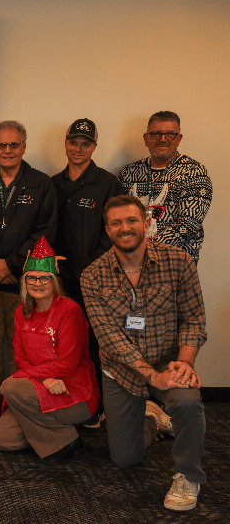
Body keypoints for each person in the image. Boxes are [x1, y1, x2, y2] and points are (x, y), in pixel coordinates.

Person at [81, 195, 207, 511]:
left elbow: (194, 318)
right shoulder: (92, 276)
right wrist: (152, 376)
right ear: (107, 230)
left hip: (169, 358)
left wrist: (184, 363)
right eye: (117, 223)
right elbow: (108, 337)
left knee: (188, 400)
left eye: (132, 220)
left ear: (146, 223)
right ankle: (152, 417)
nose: (125, 228)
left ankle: (188, 475)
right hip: (121, 370)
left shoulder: (180, 262)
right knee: (124, 459)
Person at [0, 120, 57, 420]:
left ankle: (15, 400)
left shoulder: (41, 183)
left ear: (24, 147)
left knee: (21, 342)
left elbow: (45, 232)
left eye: (14, 144)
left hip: (24, 279)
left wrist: (10, 264)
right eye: (2, 145)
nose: (8, 150)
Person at [0, 237, 99, 463]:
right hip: (38, 388)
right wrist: (44, 381)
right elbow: (20, 358)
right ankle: (65, 437)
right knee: (3, 440)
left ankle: (55, 436)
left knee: (11, 386)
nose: (37, 283)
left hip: (72, 389)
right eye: (31, 278)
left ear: (54, 281)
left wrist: (27, 379)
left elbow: (68, 364)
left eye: (44, 278)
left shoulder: (70, 310)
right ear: (24, 281)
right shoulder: (21, 311)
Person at [51, 118, 125, 425]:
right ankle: (72, 403)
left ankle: (97, 406)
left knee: (96, 345)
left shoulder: (108, 183)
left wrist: (91, 270)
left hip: (97, 283)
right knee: (65, 345)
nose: (78, 149)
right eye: (73, 142)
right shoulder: (53, 184)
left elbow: (115, 232)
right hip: (59, 283)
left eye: (85, 143)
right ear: (66, 143)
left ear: (94, 146)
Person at [118, 111, 212, 263]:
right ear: (146, 138)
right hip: (132, 263)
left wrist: (143, 250)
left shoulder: (194, 172)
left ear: (179, 138)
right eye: (156, 134)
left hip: (176, 265)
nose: (163, 139)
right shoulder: (129, 172)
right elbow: (117, 215)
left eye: (170, 134)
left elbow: (188, 223)